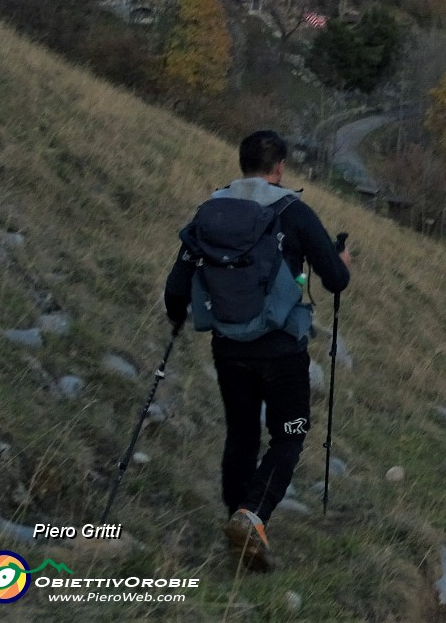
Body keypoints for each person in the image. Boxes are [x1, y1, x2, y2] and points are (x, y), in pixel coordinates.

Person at [164, 130, 350, 572]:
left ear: (242, 163)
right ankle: (251, 517)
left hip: (228, 346)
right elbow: (335, 282)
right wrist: (340, 263)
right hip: (282, 349)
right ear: (279, 167)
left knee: (242, 434)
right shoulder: (295, 211)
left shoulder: (211, 212)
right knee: (291, 433)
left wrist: (177, 317)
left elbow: (176, 286)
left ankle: (239, 522)